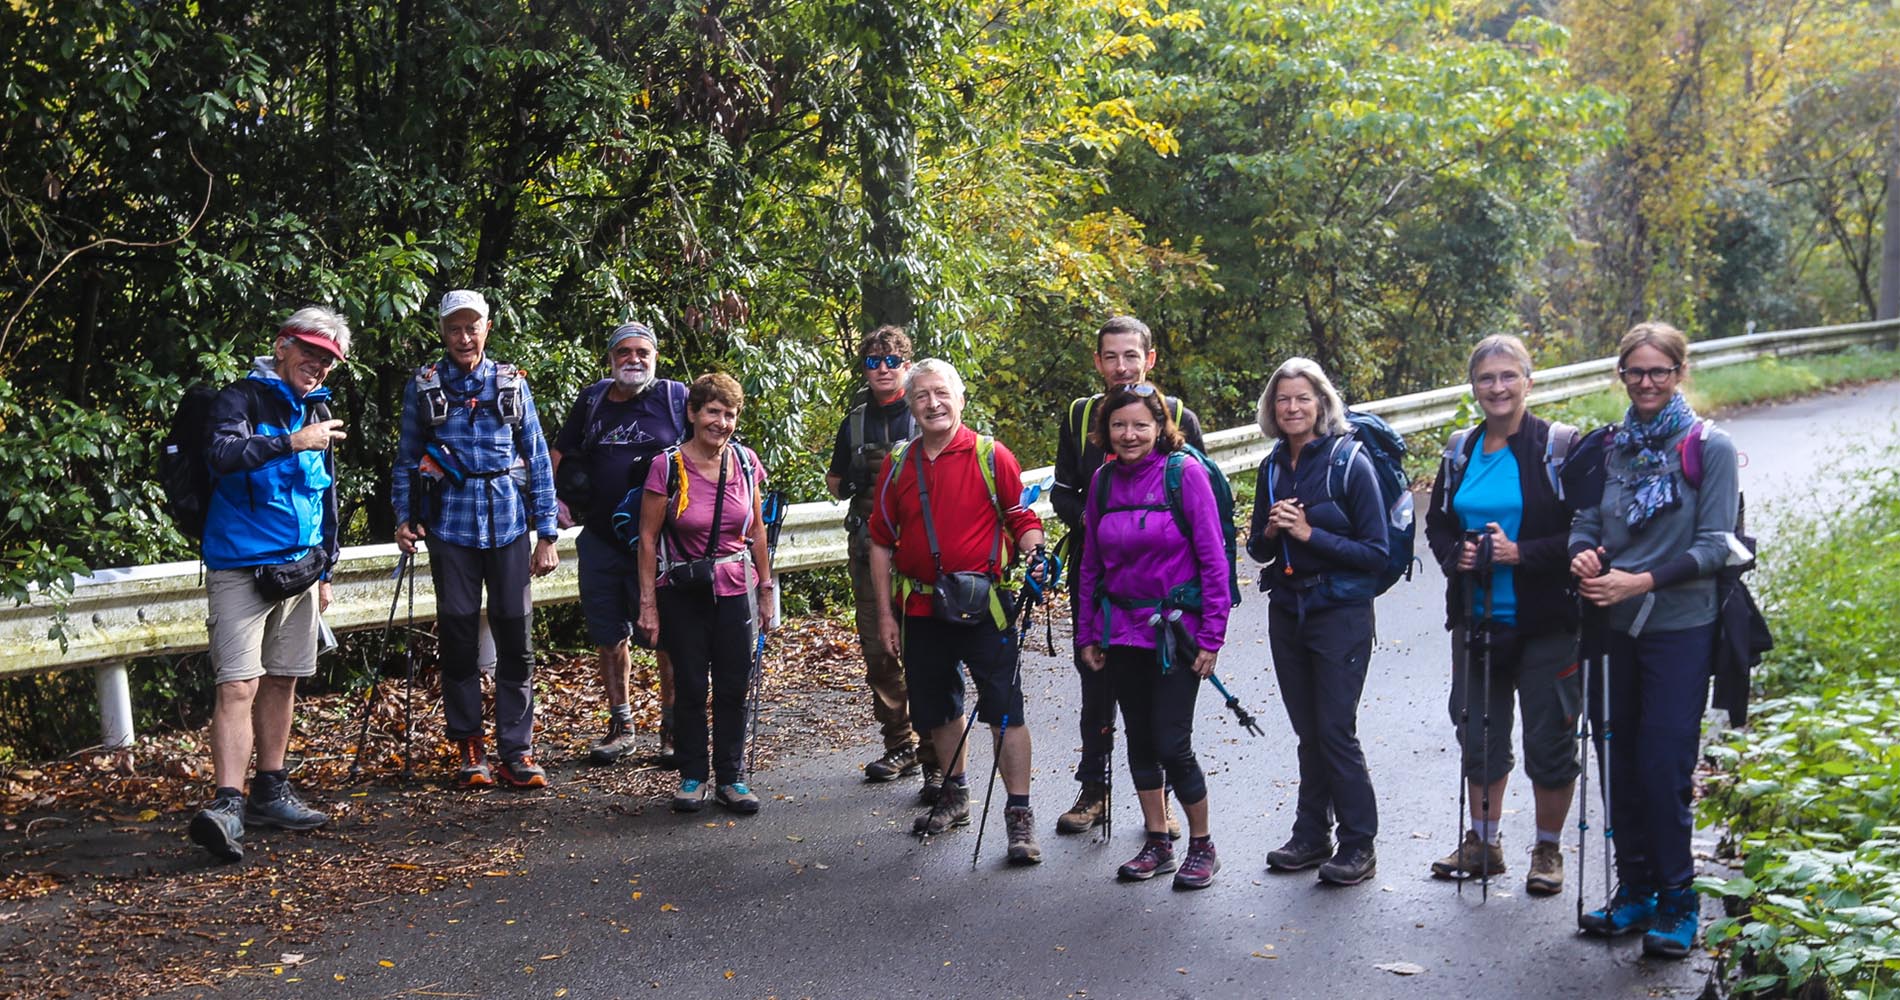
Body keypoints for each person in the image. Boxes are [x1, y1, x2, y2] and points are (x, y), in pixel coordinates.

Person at [1570, 322, 1737, 959]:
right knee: (1616, 762)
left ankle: (1678, 901)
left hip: (1679, 629)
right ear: (1622, 375)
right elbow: (1585, 520)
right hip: (1611, 627)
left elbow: (1717, 546)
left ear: (1678, 373)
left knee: (1663, 767)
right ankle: (1634, 892)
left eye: (1658, 371)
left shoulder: (1707, 446)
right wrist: (1584, 555)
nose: (1645, 382)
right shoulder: (1609, 447)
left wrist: (1639, 581)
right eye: (1635, 372)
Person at [867, 360, 1050, 864]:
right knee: (939, 708)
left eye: (941, 393)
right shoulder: (899, 465)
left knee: (1004, 711)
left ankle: (1019, 816)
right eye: (922, 395)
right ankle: (954, 797)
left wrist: (1036, 552)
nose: (932, 403)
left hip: (984, 605)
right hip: (920, 607)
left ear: (960, 398)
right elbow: (880, 544)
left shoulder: (992, 455)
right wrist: (886, 615)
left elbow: (1021, 517)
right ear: (910, 404)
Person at [187, 307, 350, 862]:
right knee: (238, 684)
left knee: (284, 680)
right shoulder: (240, 400)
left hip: (300, 569)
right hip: (240, 565)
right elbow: (222, 456)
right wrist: (292, 441)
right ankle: (227, 804)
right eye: (310, 351)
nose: (319, 365)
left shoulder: (316, 407)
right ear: (281, 345)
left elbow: (324, 495)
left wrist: (325, 566)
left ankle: (270, 791)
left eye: (329, 359)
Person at [1423, 334, 1581, 895]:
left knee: (1549, 738)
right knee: (1479, 733)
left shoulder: (1558, 447)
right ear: (1474, 387)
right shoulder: (1461, 448)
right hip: (1477, 618)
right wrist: (1456, 556)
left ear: (1529, 382)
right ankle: (1484, 842)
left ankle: (1547, 850)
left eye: (1509, 376)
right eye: (1487, 379)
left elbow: (1587, 533)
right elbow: (1439, 521)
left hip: (1546, 622)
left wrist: (1522, 553)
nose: (1498, 388)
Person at [392, 289, 560, 790]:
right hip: (449, 526)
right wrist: (405, 517)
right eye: (454, 328)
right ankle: (470, 746)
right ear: (442, 331)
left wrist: (546, 533)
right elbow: (405, 458)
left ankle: (517, 749)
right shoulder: (422, 387)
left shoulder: (511, 383)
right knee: (459, 639)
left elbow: (537, 457)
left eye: (473, 327)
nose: (464, 337)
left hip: (509, 523)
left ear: (487, 327)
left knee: (517, 640)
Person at [1049, 315, 1205, 837]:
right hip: (1100, 581)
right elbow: (1062, 492)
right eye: (1111, 357)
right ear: (1097, 362)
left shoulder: (1177, 416)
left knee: (1162, 699)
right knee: (1097, 687)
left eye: (1131, 356)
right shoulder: (1078, 417)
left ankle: (1158, 805)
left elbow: (1201, 508)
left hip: (1166, 594)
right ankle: (1093, 790)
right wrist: (1098, 518)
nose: (1121, 367)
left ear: (1150, 359)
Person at [1075, 383, 1230, 888]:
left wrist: (1212, 637)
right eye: (1119, 425)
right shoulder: (1101, 483)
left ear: (1161, 427)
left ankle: (1203, 845)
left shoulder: (1183, 474)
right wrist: (1087, 633)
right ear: (1106, 431)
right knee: (1139, 740)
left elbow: (1213, 559)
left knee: (1171, 740)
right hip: (1121, 631)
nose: (1129, 434)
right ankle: (1158, 840)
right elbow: (1091, 565)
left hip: (1175, 633)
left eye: (1141, 424)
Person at [1248, 357, 1388, 886]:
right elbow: (1259, 550)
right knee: (1309, 731)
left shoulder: (1350, 462)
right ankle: (1311, 836)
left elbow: (1375, 551)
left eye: (1302, 398)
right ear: (1272, 408)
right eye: (1282, 399)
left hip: (1341, 613)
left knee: (1334, 730)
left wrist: (1310, 535)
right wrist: (1268, 533)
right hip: (1287, 609)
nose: (1292, 407)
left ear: (1322, 402)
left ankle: (1359, 843)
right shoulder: (1271, 466)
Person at [635, 373, 775, 815]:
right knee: (691, 685)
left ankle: (731, 777)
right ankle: (693, 775)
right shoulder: (668, 466)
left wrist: (767, 590)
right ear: (693, 413)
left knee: (734, 686)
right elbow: (647, 538)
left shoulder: (746, 463)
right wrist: (648, 605)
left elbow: (755, 531)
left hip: (736, 588)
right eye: (712, 411)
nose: (721, 422)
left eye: (729, 414)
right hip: (683, 589)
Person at [550, 322, 689, 766]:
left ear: (655, 358)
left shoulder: (675, 399)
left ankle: (673, 727)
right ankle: (621, 724)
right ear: (610, 359)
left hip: (663, 542)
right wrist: (554, 498)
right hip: (601, 538)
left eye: (642, 352)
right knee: (608, 635)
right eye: (624, 352)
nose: (634, 359)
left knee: (667, 636)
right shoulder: (592, 401)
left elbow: (710, 446)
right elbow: (559, 451)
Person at [824, 326, 940, 797]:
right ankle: (900, 743)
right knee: (879, 647)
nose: (884, 370)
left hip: (921, 551)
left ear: (907, 366)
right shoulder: (853, 423)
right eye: (874, 362)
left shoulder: (927, 412)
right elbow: (835, 484)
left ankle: (936, 751)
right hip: (868, 546)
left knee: (926, 649)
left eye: (892, 361)